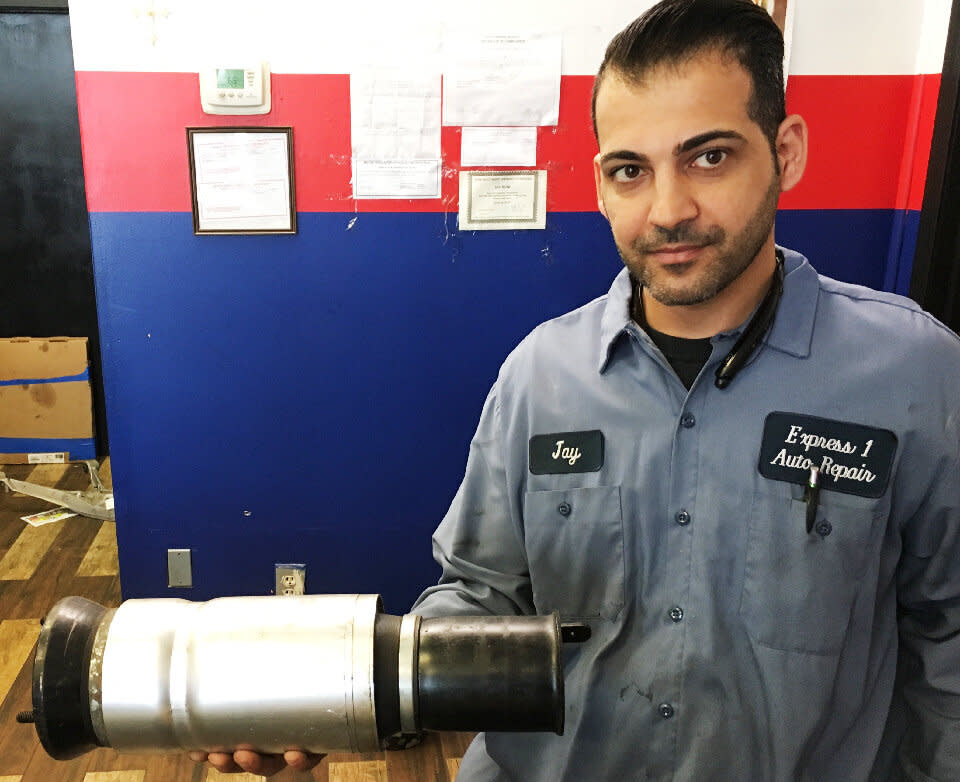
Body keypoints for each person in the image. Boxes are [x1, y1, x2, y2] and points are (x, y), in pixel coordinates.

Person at [193, 0, 960, 778]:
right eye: (631, 170)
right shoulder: (541, 375)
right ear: (600, 183)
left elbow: (950, 635)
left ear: (786, 152)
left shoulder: (913, 373)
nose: (668, 210)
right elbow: (483, 598)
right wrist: (340, 699)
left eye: (710, 157)